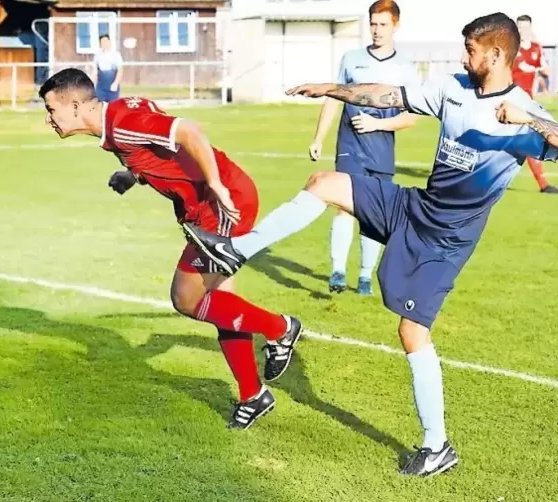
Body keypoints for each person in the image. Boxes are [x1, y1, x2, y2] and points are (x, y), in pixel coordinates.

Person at [181, 13, 558, 475]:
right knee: (323, 182)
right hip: (413, 206)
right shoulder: (453, 87)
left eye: (472, 51)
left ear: (496, 55)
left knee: (412, 333)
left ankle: (437, 446)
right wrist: (331, 89)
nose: (465, 57)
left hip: (447, 240)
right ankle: (236, 250)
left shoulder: (524, 112)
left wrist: (532, 122)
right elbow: (387, 95)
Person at [38, 69, 303, 429]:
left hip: (222, 205)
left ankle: (280, 328)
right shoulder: (118, 119)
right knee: (222, 303)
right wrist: (132, 175)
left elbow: (189, 131)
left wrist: (216, 185)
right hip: (204, 211)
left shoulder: (122, 122)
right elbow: (158, 135)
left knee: (186, 297)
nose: (48, 119)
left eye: (51, 110)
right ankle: (252, 395)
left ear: (73, 106)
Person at [310, 0, 419, 295]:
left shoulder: (406, 69)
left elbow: (411, 118)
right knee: (344, 207)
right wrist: (319, 138)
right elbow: (334, 98)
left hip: (382, 150)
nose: (376, 30)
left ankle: (365, 277)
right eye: (372, 23)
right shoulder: (351, 58)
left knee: (374, 214)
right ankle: (336, 272)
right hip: (350, 146)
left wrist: (378, 125)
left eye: (383, 24)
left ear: (395, 25)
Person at [512, 14, 557, 193]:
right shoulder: (512, 48)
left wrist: (541, 69)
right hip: (512, 102)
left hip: (528, 102)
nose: (522, 31)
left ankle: (543, 185)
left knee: (530, 140)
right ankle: (543, 185)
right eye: (519, 27)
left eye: (525, 27)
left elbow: (546, 69)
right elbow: (516, 68)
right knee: (531, 139)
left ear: (530, 29)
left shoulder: (537, 49)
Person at [91, 34, 123, 103]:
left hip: (112, 84)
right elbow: (95, 71)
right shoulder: (97, 56)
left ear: (109, 42)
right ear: (100, 44)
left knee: (113, 107)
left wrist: (116, 83)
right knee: (98, 106)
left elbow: (120, 70)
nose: (104, 43)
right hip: (101, 86)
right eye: (102, 42)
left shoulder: (116, 55)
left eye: (106, 41)